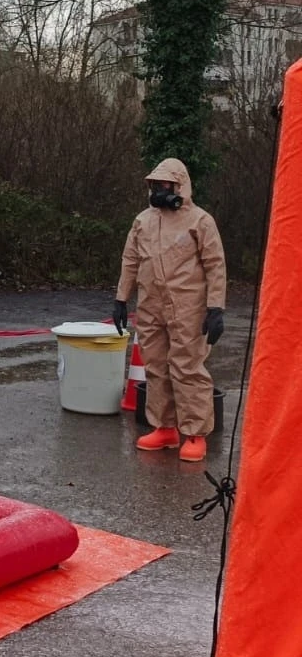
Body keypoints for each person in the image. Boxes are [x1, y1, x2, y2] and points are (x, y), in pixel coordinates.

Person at [112, 157, 226, 463]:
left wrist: (215, 307)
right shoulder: (143, 221)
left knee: (187, 368)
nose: (159, 190)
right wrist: (121, 299)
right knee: (156, 367)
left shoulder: (200, 221)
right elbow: (130, 260)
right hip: (150, 305)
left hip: (188, 306)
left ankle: (195, 434)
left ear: (180, 186)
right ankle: (164, 428)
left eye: (165, 184)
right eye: (155, 184)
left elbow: (215, 265)